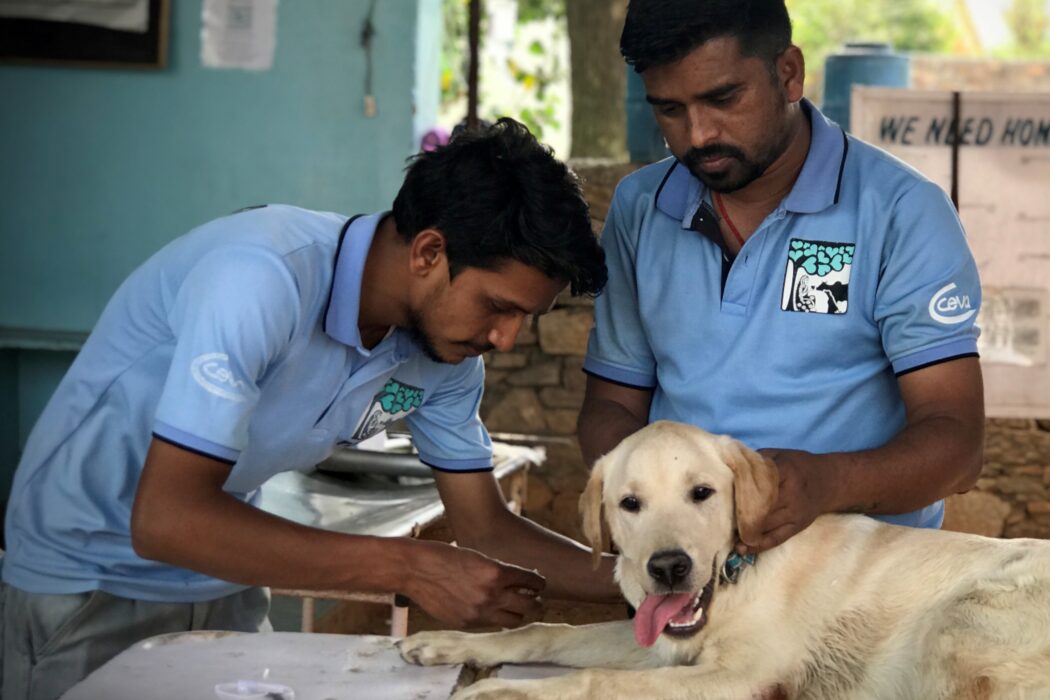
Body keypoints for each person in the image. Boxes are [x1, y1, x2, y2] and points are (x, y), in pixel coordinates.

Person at [1, 118, 620, 700]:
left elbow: (485, 527)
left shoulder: (446, 359)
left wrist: (651, 584)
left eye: (525, 318)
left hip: (222, 577)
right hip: (85, 578)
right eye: (498, 306)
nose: (506, 339)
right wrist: (407, 566)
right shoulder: (261, 279)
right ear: (429, 253)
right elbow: (166, 517)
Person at [578, 0, 985, 556]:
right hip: (694, 565)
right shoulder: (641, 207)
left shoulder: (900, 212)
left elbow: (957, 446)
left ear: (788, 73)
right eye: (669, 109)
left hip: (861, 580)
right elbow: (612, 407)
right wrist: (657, 511)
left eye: (723, 99)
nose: (697, 135)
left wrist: (825, 483)